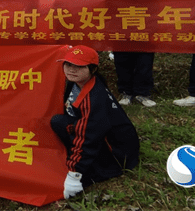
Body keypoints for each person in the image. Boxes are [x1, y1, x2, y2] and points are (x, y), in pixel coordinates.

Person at [51, 45, 140, 199]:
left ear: (92, 69)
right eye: (68, 64)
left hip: (117, 154)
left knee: (73, 136)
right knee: (58, 121)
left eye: (78, 66)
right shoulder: (77, 82)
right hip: (102, 132)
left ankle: (96, 167)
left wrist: (74, 175)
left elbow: (88, 138)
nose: (71, 69)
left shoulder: (94, 98)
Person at [107, 0, 159, 107]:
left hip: (144, 35)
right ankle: (126, 93)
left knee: (144, 65)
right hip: (121, 36)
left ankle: (143, 94)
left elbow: (157, 12)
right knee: (122, 65)